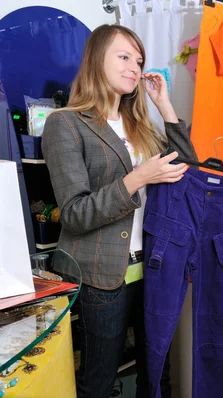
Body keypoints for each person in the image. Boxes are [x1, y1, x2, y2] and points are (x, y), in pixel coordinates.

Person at [42, 24, 197, 398]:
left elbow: (187, 170)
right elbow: (76, 213)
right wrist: (138, 178)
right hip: (101, 274)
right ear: (97, 59)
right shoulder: (65, 123)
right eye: (124, 57)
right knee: (98, 381)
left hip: (154, 268)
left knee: (157, 371)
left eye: (138, 60)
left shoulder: (141, 125)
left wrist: (164, 106)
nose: (134, 66)